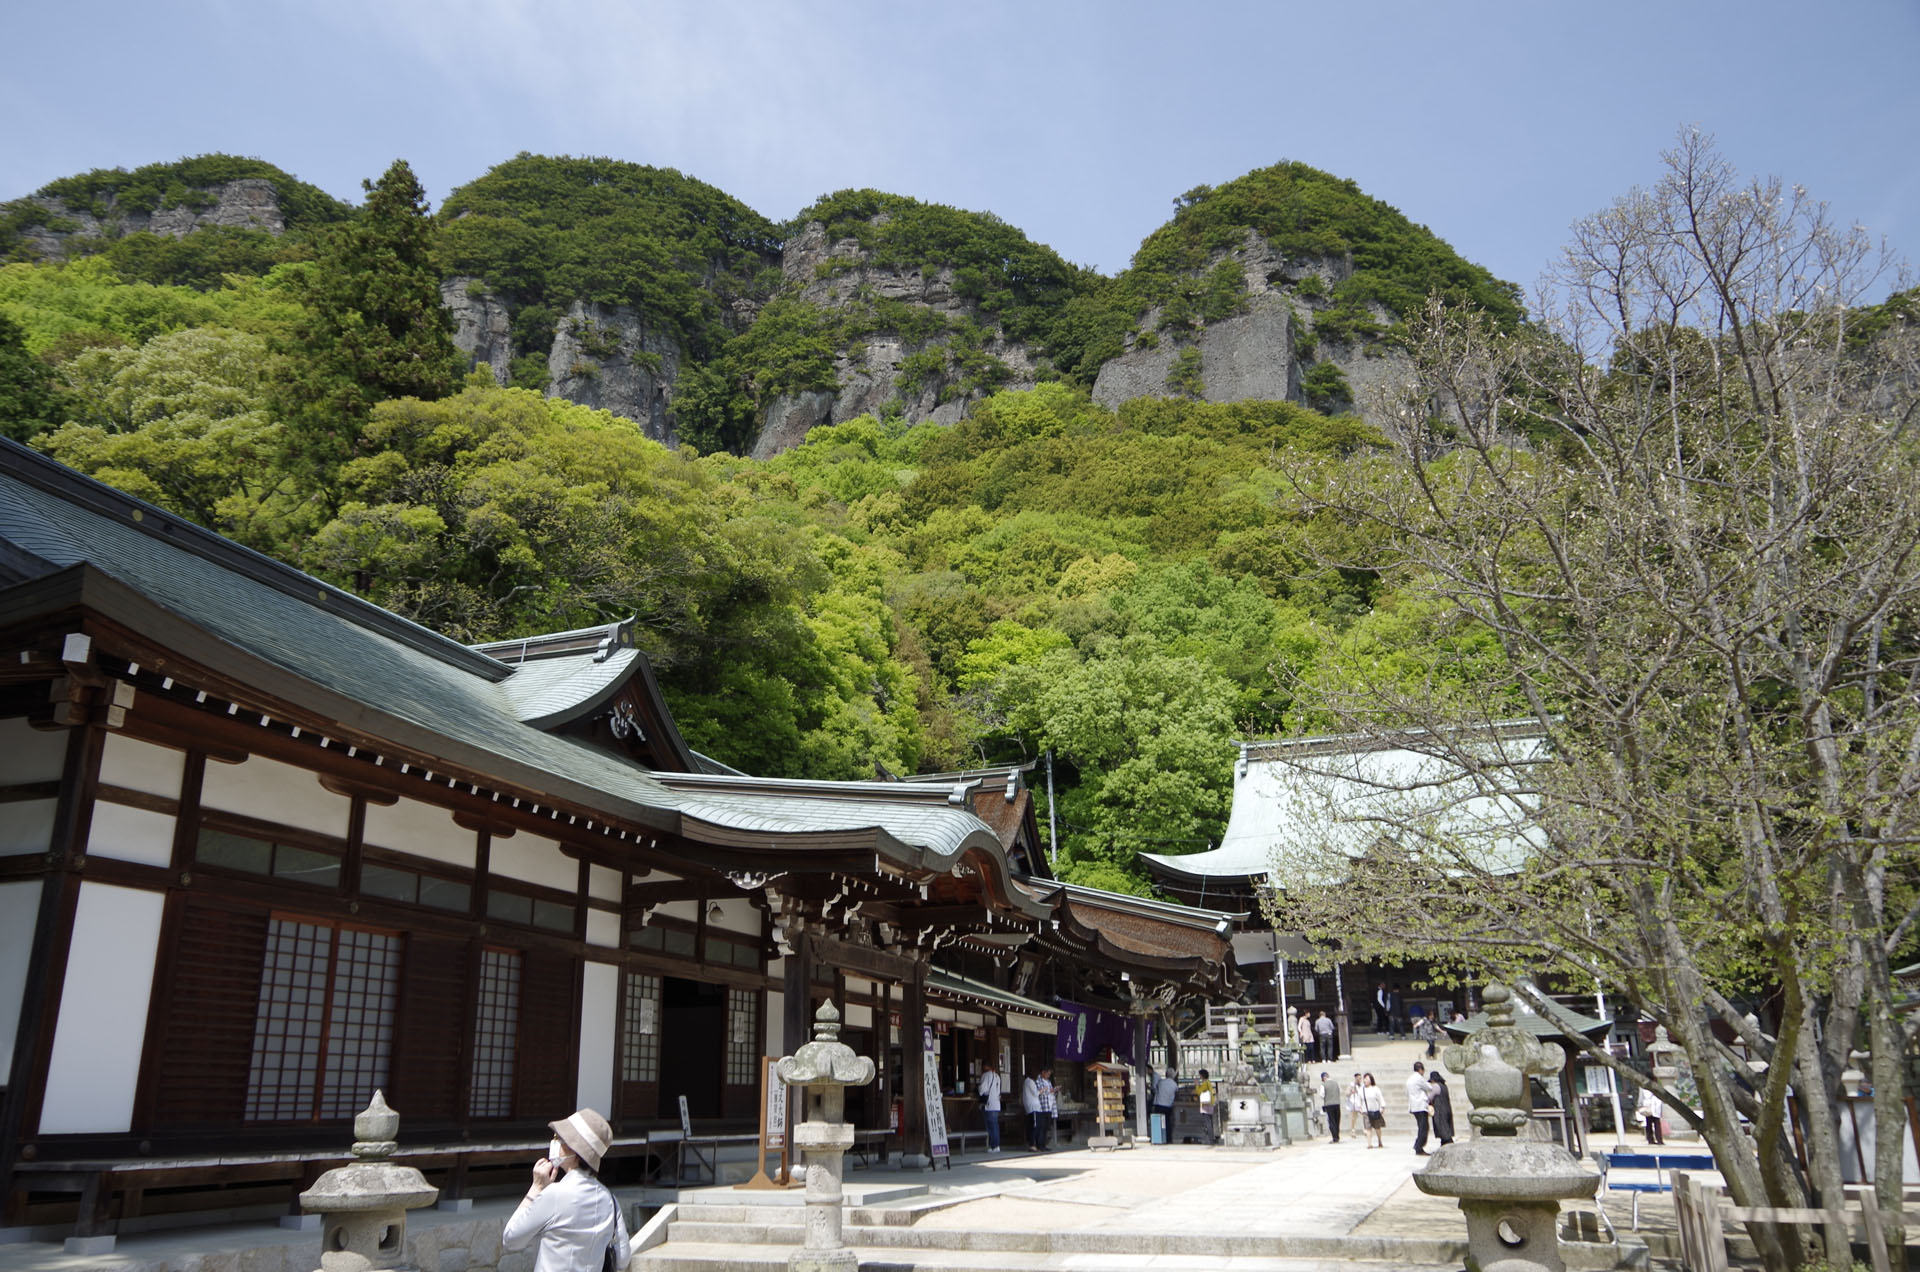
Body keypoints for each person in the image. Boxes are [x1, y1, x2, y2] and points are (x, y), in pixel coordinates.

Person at [502, 1107, 631, 1272]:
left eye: (558, 1138)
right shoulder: (610, 1200)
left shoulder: (555, 1194)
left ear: (573, 1149)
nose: (554, 1142)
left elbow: (511, 1239)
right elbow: (623, 1259)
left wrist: (536, 1187)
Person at [1406, 1060, 1432, 1155]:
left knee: (1421, 1126)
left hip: (1414, 1106)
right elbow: (1429, 1087)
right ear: (1420, 1069)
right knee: (1424, 1127)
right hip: (1420, 1105)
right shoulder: (1419, 1078)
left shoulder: (1409, 1079)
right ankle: (1419, 1146)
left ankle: (1418, 1144)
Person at [978, 1061, 1003, 1153]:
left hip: (989, 1104)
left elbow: (982, 1089)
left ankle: (993, 1145)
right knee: (995, 1125)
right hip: (996, 1103)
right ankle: (996, 1145)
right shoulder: (997, 1076)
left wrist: (978, 1090)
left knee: (990, 1126)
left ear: (985, 1066)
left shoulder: (986, 1075)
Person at [1428, 1070, 1455, 1146]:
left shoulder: (1435, 1086)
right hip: (1447, 1108)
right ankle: (1444, 1143)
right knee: (1446, 1126)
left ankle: (1448, 1142)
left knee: (1442, 1127)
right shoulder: (1444, 1086)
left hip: (1440, 1110)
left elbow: (1429, 1097)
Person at [1021, 1068, 1045, 1152]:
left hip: (1032, 1107)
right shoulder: (1030, 1082)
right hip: (1033, 1107)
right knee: (1034, 1126)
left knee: (1035, 1126)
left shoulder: (1027, 1081)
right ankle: (1032, 1144)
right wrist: (1042, 1090)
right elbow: (1035, 1093)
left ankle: (1036, 1144)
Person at [1151, 1068, 1178, 1140]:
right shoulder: (1174, 1085)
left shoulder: (1161, 1082)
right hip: (1168, 1106)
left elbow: (1155, 1089)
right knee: (1167, 1122)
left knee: (1158, 1122)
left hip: (1159, 1105)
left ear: (1166, 1075)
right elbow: (1176, 1093)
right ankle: (1168, 1138)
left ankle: (1158, 1138)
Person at [1362, 1073, 1386, 1148]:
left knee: (1377, 1127)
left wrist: (1382, 1107)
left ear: (1371, 1080)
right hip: (1366, 1111)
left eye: (1367, 1078)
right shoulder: (1362, 1089)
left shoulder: (1375, 1089)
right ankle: (1369, 1144)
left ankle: (1379, 1141)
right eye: (1364, 1078)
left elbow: (1381, 1099)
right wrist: (1359, 1107)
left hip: (1375, 1111)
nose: (1365, 1080)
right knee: (1368, 1128)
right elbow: (1359, 1100)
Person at [1035, 1067, 1056, 1150]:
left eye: (1049, 1074)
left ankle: (1044, 1144)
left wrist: (1053, 1090)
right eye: (1047, 1074)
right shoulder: (1038, 1081)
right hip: (1042, 1107)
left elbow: (1050, 1091)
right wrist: (1047, 1090)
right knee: (1041, 1127)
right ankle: (1040, 1145)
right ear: (1043, 1072)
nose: (1048, 1075)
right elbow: (1039, 1092)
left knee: (1046, 1127)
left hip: (1049, 1106)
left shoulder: (1048, 1081)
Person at [1319, 1071, 1343, 1143]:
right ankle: (1337, 1136)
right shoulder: (1336, 1083)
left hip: (1329, 1104)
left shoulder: (1323, 1085)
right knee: (1337, 1120)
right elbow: (1339, 1091)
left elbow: (1322, 1095)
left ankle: (1335, 1137)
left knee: (1331, 1121)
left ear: (1323, 1078)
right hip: (1337, 1103)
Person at [1195, 1068, 1216, 1144]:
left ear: (1202, 1076)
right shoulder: (1208, 1082)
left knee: (1207, 1122)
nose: (1199, 1077)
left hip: (1206, 1105)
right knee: (1209, 1121)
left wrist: (1197, 1085)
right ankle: (1210, 1138)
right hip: (1210, 1103)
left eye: (1200, 1075)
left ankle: (1210, 1139)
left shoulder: (1204, 1083)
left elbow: (1198, 1092)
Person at [1346, 1072, 1365, 1136]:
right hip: (1354, 1102)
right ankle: (1352, 1130)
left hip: (1361, 1102)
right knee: (1354, 1117)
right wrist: (1351, 1092)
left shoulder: (1362, 1085)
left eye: (1360, 1078)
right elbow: (1347, 1093)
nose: (1360, 1080)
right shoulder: (1351, 1085)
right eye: (1358, 1078)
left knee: (1365, 1115)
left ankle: (1365, 1129)